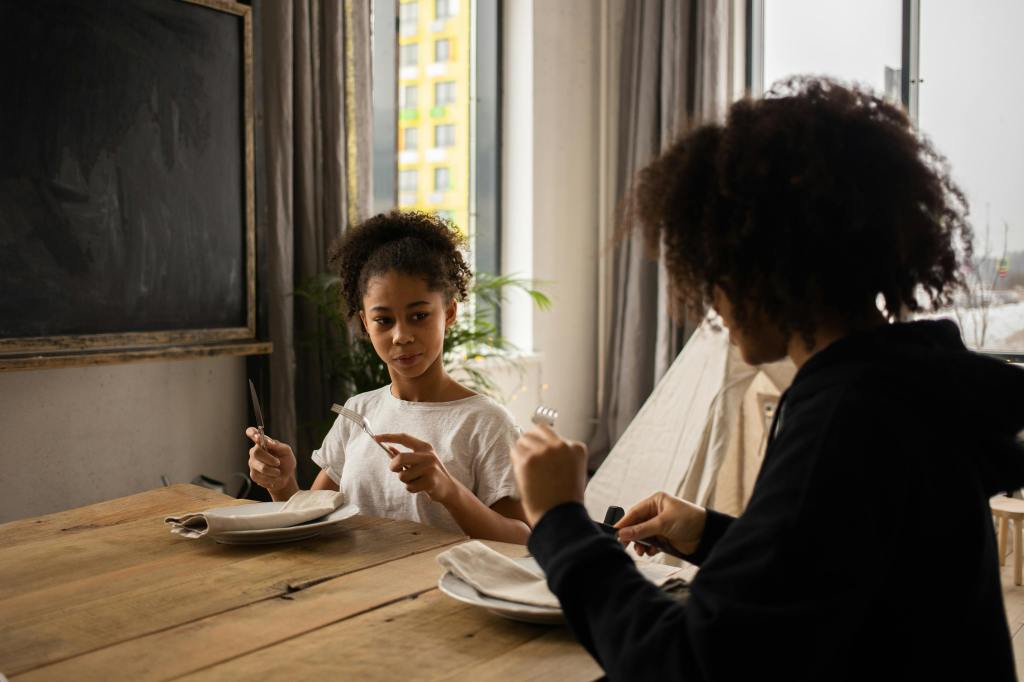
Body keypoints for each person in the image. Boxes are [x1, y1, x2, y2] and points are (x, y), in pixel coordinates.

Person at [512, 78, 1024, 680]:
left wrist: (561, 522)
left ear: (767, 270)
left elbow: (690, 665)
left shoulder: (847, 421)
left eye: (717, 273)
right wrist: (710, 534)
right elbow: (833, 566)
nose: (713, 303)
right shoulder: (906, 390)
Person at [246, 210, 530, 544]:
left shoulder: (486, 423)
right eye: (384, 320)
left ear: (449, 313)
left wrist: (449, 490)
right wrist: (282, 486)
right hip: (355, 588)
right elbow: (311, 522)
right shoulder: (359, 412)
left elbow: (521, 541)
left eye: (419, 315)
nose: (401, 336)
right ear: (366, 323)